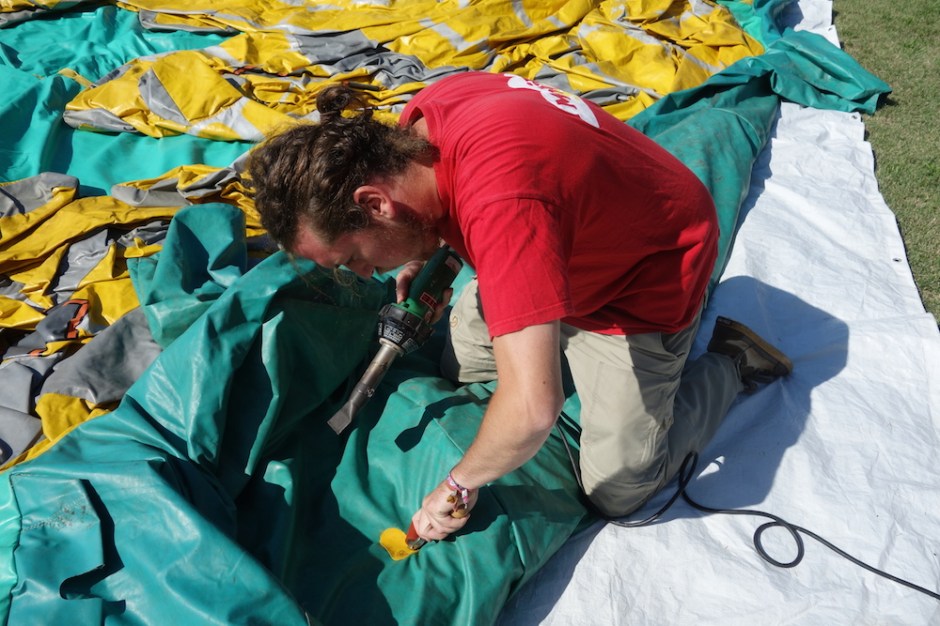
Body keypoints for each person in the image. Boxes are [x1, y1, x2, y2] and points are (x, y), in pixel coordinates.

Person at [247, 71, 792, 544]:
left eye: (354, 258)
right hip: (559, 241)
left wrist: (459, 484)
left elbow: (533, 409)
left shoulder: (504, 207)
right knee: (462, 365)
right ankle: (544, 324)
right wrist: (427, 248)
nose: (366, 274)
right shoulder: (424, 122)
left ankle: (735, 360)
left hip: (638, 282)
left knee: (620, 488)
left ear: (375, 203)